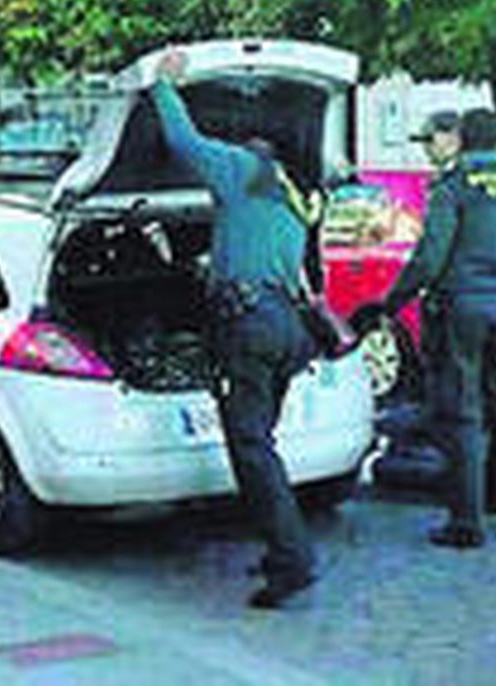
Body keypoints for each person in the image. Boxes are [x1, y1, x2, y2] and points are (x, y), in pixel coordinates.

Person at [150, 48, 317, 610]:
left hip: (248, 326)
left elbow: (184, 143)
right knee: (260, 445)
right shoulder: (293, 197)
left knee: (251, 448)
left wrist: (164, 86)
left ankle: (293, 561)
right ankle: (280, 549)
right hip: (285, 327)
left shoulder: (240, 169)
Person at [383, 108, 496, 550]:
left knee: (465, 417)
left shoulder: (454, 188)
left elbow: (430, 257)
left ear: (462, 139)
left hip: (462, 310)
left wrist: (392, 301)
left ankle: (467, 523)